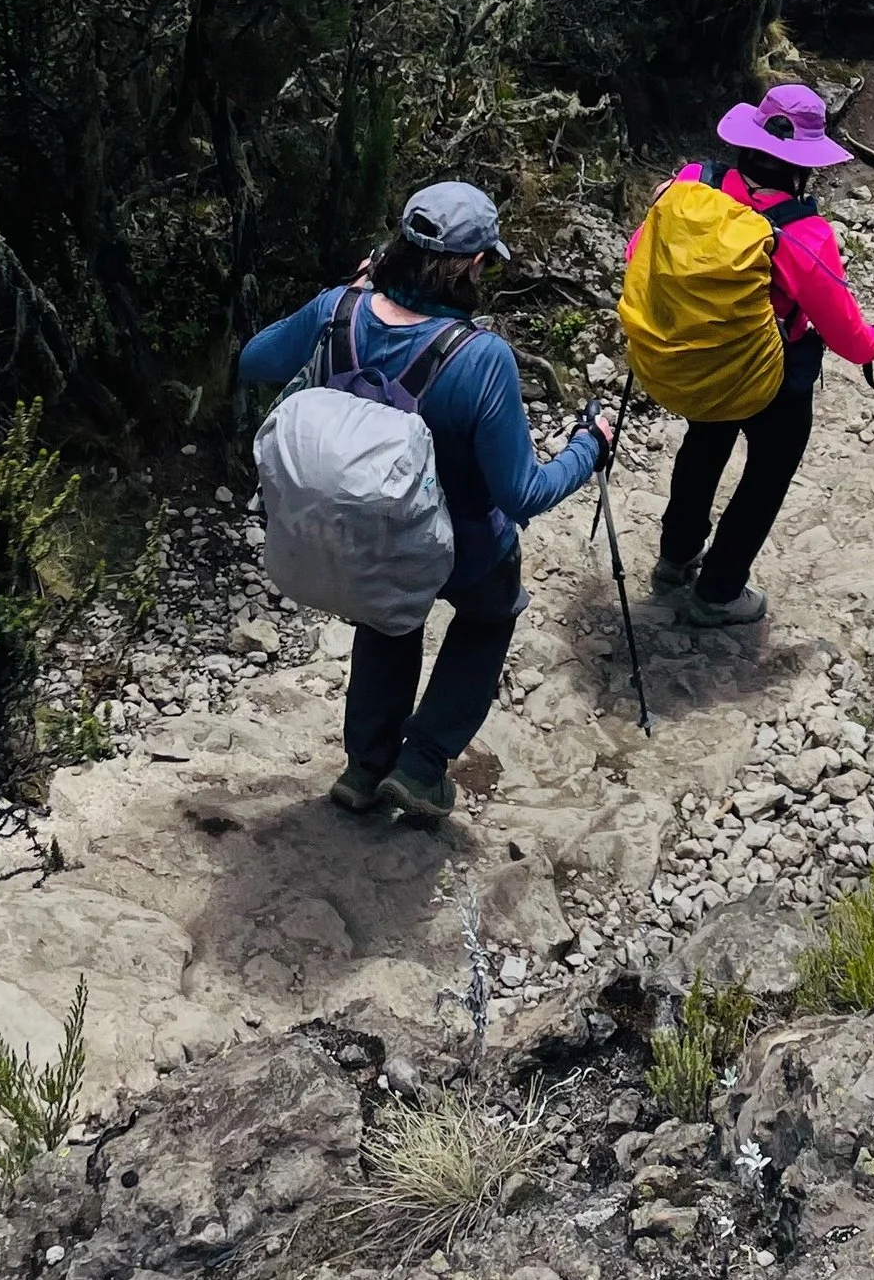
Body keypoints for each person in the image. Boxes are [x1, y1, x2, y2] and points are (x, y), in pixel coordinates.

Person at [238, 179, 611, 825]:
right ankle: (422, 765)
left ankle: (365, 766)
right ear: (471, 264)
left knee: (390, 613)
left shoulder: (338, 310)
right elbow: (521, 493)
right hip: (463, 547)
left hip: (369, 536)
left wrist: (348, 296)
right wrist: (588, 448)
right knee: (491, 613)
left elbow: (254, 359)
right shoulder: (481, 359)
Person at [635, 83, 874, 628]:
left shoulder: (688, 183)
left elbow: (637, 254)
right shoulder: (805, 234)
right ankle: (718, 592)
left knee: (704, 444)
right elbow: (850, 339)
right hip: (773, 379)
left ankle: (675, 559)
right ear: (803, 164)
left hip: (700, 356)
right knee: (767, 473)